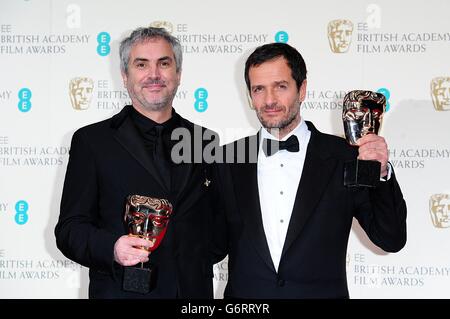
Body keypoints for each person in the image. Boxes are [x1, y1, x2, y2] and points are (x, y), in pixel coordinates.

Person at [214, 42, 407, 298]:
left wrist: (381, 173)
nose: (269, 100)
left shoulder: (345, 156)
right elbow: (209, 246)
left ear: (302, 89)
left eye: (280, 86)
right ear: (250, 95)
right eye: (259, 89)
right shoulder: (226, 160)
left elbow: (390, 238)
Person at [55, 27, 219, 298]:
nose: (154, 75)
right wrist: (112, 247)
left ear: (178, 74)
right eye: (141, 64)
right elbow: (70, 230)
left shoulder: (206, 141)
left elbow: (217, 226)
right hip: (122, 291)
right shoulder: (92, 141)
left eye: (164, 63)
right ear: (124, 75)